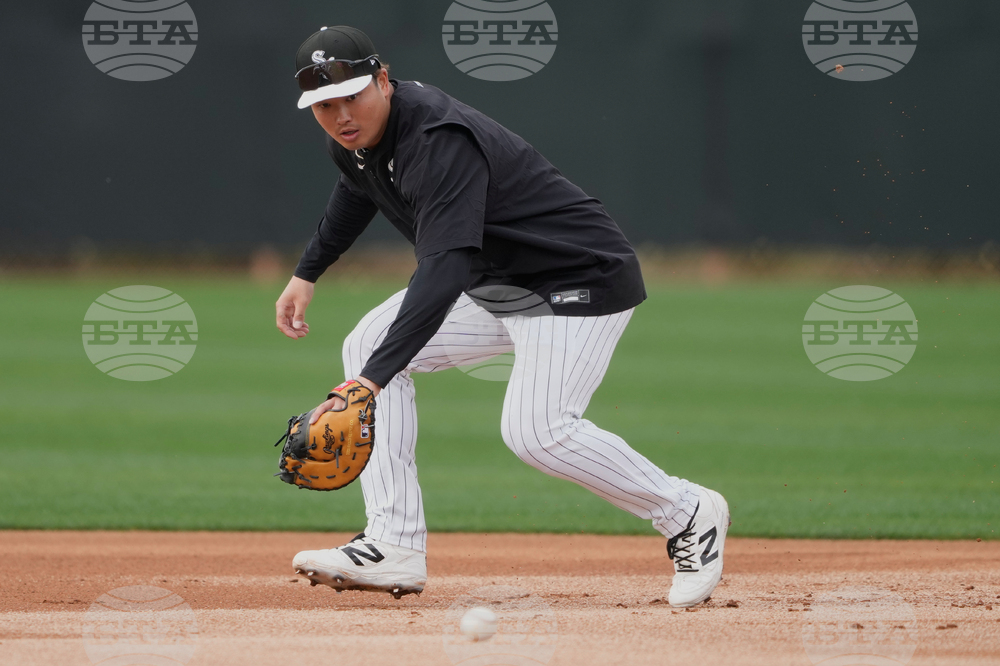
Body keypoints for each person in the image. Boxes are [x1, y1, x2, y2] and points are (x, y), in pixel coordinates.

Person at [275, 25, 730, 607]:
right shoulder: (358, 135)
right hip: (502, 281)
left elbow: (444, 269)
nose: (339, 114)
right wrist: (307, 271)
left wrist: (369, 382)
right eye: (323, 104)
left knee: (537, 432)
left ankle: (689, 512)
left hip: (575, 279)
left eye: (351, 95)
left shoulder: (437, 140)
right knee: (369, 345)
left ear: (383, 80)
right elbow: (356, 187)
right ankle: (393, 544)